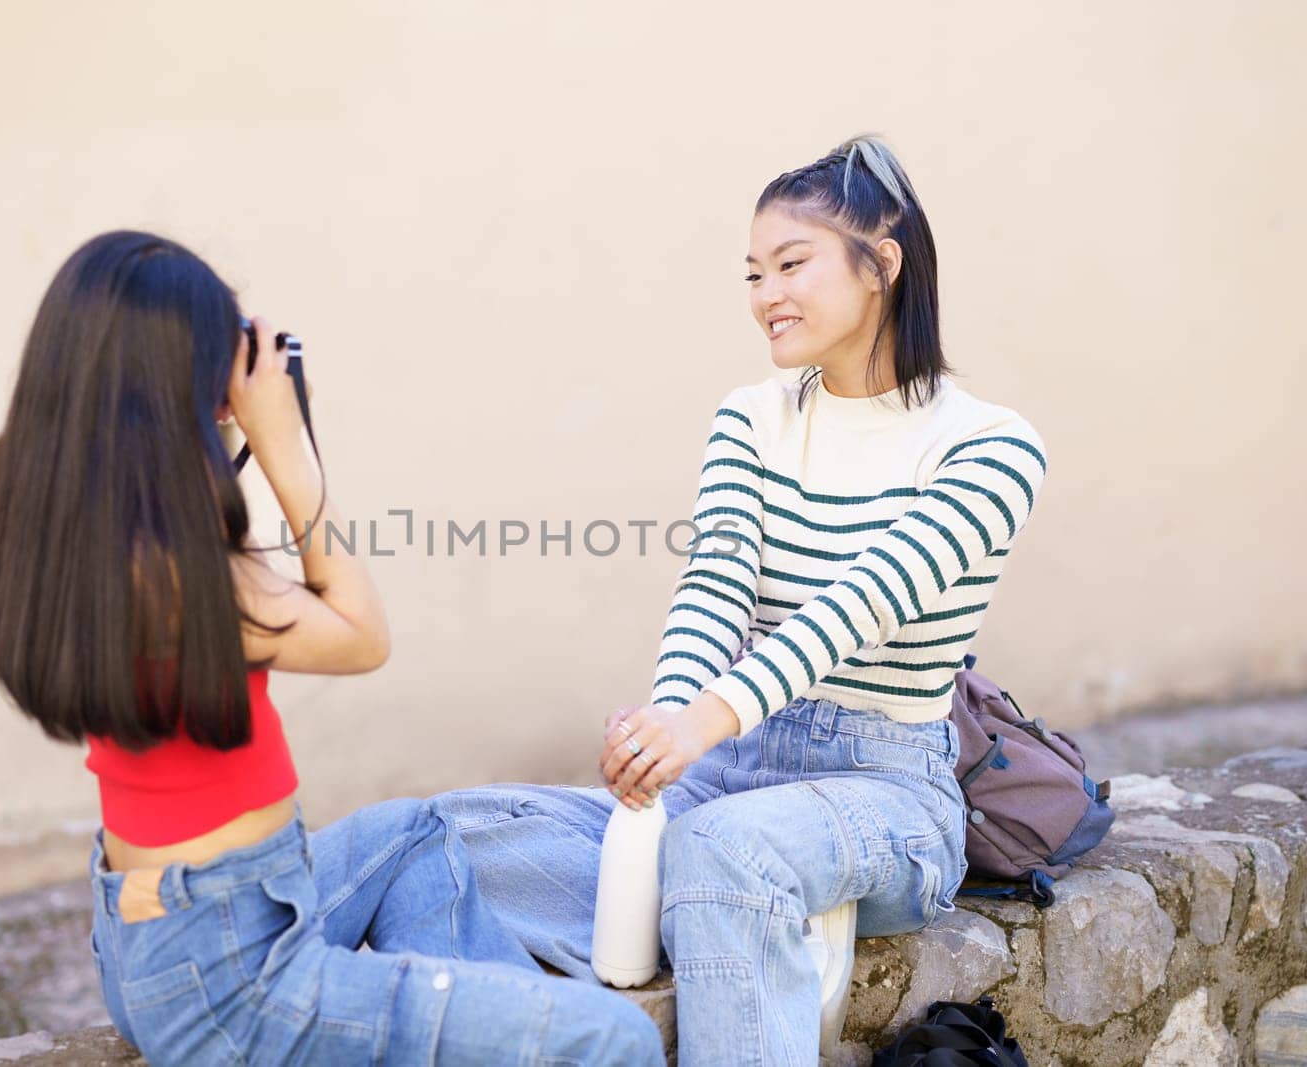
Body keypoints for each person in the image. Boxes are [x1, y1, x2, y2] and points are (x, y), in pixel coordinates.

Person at [0, 231, 665, 1066]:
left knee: (412, 833)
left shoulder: (88, 540)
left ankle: (498, 1028)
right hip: (238, 981)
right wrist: (288, 450)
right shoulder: (185, 578)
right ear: (170, 382)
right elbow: (362, 637)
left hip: (168, 932)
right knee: (614, 1038)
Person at [429, 134, 1048, 1065]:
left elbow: (862, 602)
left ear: (882, 264)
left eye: (791, 264)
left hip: (884, 791)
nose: (766, 295)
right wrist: (666, 729)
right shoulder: (750, 417)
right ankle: (666, 959)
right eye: (753, 273)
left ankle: (699, 911)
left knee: (719, 851)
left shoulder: (990, 446)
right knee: (450, 832)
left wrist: (698, 724)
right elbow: (716, 584)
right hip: (729, 769)